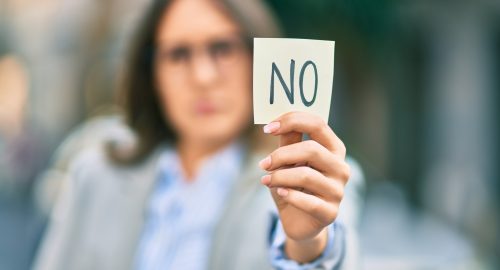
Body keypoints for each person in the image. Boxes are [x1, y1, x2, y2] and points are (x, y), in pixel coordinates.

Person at [33, 0, 364, 269]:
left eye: (222, 48)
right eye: (178, 54)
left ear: (258, 59)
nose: (203, 76)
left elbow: (330, 252)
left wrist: (308, 242)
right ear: (152, 74)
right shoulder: (96, 173)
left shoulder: (310, 176)